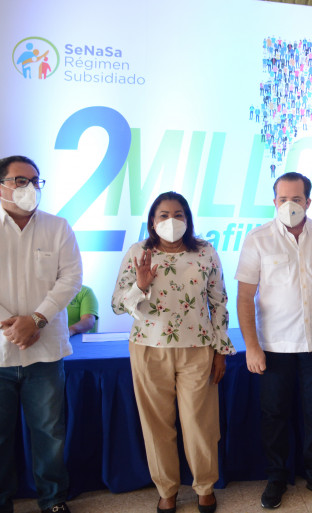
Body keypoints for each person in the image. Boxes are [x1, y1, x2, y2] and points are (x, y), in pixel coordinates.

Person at [112, 191, 233, 513]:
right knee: (156, 425)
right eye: (163, 215)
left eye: (178, 214)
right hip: (148, 347)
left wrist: (221, 350)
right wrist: (140, 285)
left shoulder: (205, 251)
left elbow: (219, 302)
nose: (171, 221)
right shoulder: (139, 252)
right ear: (152, 222)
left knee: (199, 423)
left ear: (188, 219)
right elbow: (117, 304)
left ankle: (204, 486)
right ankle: (166, 489)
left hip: (197, 347)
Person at [236, 172, 312, 508]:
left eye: (296, 199)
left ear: (308, 202)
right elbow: (244, 297)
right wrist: (251, 346)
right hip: (274, 346)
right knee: (274, 414)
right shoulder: (257, 239)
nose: (289, 205)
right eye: (283, 199)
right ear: (274, 202)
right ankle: (276, 477)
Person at [0, 155, 82, 513]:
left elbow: (71, 278)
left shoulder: (57, 226)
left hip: (45, 351)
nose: (30, 187)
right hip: (0, 352)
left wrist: (36, 319)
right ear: (1, 186)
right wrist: (11, 324)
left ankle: (53, 500)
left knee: (49, 433)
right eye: (20, 180)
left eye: (35, 180)